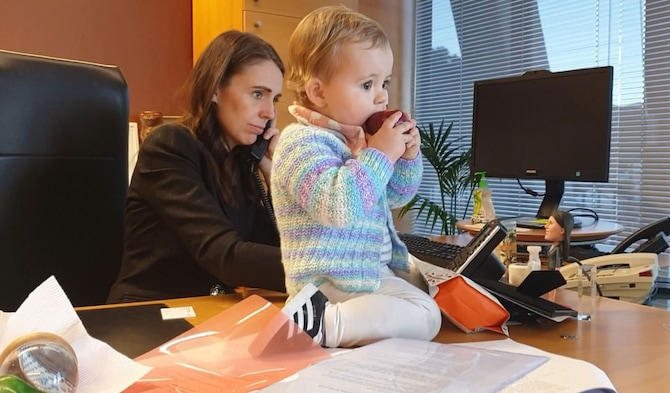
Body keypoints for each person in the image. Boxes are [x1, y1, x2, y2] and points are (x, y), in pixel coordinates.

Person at [270, 5, 442, 348]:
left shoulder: (358, 142)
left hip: (365, 275)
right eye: (367, 84)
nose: (382, 96)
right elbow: (338, 206)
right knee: (425, 314)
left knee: (429, 298)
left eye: (384, 83)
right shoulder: (300, 142)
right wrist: (379, 154)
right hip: (327, 281)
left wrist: (405, 157)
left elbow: (396, 196)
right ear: (318, 92)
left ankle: (331, 325)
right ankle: (321, 324)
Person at [108, 30, 287, 303]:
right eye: (257, 94)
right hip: (150, 313)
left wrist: (273, 174)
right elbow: (223, 255)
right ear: (215, 88)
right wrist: (327, 268)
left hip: (210, 312)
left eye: (274, 99)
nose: (270, 113)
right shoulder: (169, 146)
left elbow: (272, 248)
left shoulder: (242, 162)